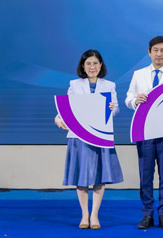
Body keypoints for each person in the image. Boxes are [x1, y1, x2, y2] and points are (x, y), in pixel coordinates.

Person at [54, 49, 124, 230]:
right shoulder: (74, 85)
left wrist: (112, 108)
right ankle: (84, 214)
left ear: (101, 65)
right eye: (88, 64)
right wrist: (58, 118)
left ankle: (94, 215)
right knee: (81, 176)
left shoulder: (109, 85)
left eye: (95, 63)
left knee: (100, 177)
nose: (92, 67)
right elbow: (66, 108)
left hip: (100, 135)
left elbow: (116, 110)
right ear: (83, 66)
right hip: (79, 137)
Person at [125, 36, 163, 230]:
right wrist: (135, 101)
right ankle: (147, 214)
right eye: (155, 50)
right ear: (149, 52)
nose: (159, 54)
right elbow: (128, 98)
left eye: (162, 50)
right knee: (145, 175)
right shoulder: (139, 74)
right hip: (144, 132)